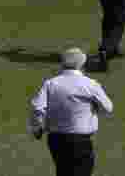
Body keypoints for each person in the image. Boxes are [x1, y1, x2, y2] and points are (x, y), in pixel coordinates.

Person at [29, 48, 113, 176]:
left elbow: (37, 107)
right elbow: (108, 108)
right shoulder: (90, 84)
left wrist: (38, 127)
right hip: (80, 141)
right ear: (82, 65)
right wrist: (94, 108)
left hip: (55, 139)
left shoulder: (51, 84)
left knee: (63, 171)